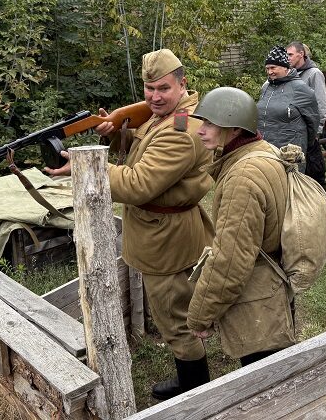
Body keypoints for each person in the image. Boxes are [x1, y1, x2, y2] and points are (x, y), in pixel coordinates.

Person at [45, 49, 214, 401]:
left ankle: (195, 388)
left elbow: (139, 183)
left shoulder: (182, 129)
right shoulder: (163, 116)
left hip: (166, 237)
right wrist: (116, 134)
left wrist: (85, 164)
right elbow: (142, 149)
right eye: (149, 88)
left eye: (163, 88)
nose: (154, 96)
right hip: (161, 229)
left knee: (175, 318)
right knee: (174, 309)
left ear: (183, 84)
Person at [187, 87, 296, 366]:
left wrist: (200, 315)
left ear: (234, 129)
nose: (201, 130)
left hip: (257, 297)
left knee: (262, 382)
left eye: (210, 123)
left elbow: (230, 261)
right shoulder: (264, 150)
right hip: (272, 281)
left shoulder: (243, 178)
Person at [257, 45, 319, 173]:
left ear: (285, 67)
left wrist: (305, 145)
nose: (270, 72)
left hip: (288, 152)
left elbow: (313, 122)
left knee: (289, 188)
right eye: (267, 68)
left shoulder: (300, 89)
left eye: (273, 68)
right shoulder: (266, 88)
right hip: (267, 147)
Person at [286, 41, 326, 195]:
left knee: (315, 171)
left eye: (290, 54)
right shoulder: (290, 74)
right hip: (294, 132)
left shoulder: (314, 74)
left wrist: (316, 131)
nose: (287, 57)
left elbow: (320, 104)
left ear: (301, 54)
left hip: (309, 131)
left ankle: (323, 203)